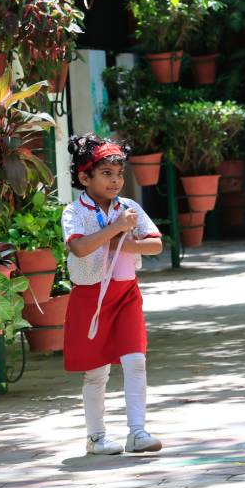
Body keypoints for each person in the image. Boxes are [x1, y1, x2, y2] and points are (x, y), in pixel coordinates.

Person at [62, 134, 164, 454]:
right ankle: (96, 438)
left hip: (125, 294)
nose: (116, 181)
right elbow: (79, 247)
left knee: (135, 361)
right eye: (106, 173)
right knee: (96, 372)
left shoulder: (129, 208)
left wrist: (123, 240)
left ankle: (138, 431)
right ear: (84, 177)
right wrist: (116, 230)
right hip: (90, 298)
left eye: (119, 174)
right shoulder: (74, 212)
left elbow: (155, 243)